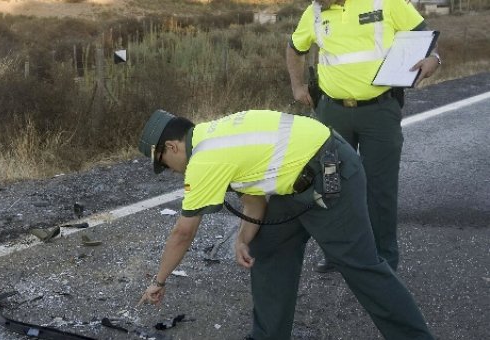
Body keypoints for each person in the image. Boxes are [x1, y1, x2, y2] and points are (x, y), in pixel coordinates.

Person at [136, 109, 433, 340]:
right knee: (268, 249)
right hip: (293, 183)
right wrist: (242, 239)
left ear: (173, 147)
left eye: (163, 163)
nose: (169, 171)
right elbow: (254, 198)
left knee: (360, 265)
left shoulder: (203, 159)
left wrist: (159, 281)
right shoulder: (212, 135)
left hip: (330, 173)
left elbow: (183, 233)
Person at [286, 0, 441, 273]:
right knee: (330, 184)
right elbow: (295, 48)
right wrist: (297, 86)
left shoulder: (386, 2)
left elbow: (422, 35)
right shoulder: (315, 12)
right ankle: (337, 253)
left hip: (379, 112)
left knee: (380, 188)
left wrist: (434, 59)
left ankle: (384, 259)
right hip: (332, 112)